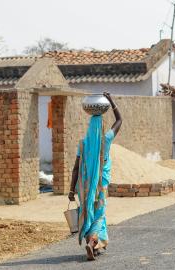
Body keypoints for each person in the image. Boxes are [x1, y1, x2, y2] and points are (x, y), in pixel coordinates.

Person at [68, 92, 122, 261]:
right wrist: (111, 100)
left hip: (83, 187)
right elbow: (119, 121)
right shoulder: (105, 140)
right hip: (100, 187)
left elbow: (76, 169)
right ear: (101, 126)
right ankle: (92, 243)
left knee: (86, 211)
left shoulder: (83, 144)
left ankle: (95, 246)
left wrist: (71, 190)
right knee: (98, 215)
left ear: (89, 127)